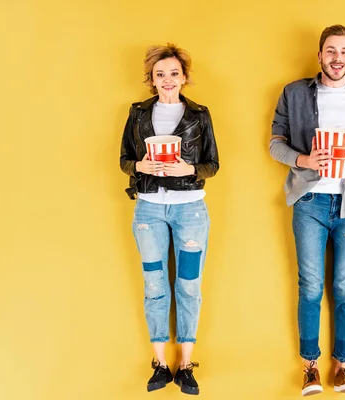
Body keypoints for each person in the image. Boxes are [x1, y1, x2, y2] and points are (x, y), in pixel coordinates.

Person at [269, 25, 345, 396]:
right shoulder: (294, 93)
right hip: (310, 200)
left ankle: (342, 367)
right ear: (320, 55)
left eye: (344, 52)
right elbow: (275, 144)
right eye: (330, 51)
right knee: (310, 286)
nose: (337, 58)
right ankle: (310, 368)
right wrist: (305, 158)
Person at [119, 43, 219, 396]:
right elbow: (124, 159)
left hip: (190, 208)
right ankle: (160, 364)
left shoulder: (200, 115)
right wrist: (139, 166)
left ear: (184, 77)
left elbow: (212, 165)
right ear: (151, 79)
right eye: (160, 74)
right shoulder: (138, 113)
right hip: (148, 209)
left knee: (189, 285)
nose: (167, 80)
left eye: (174, 73)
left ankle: (186, 364)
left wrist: (188, 168)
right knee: (155, 286)